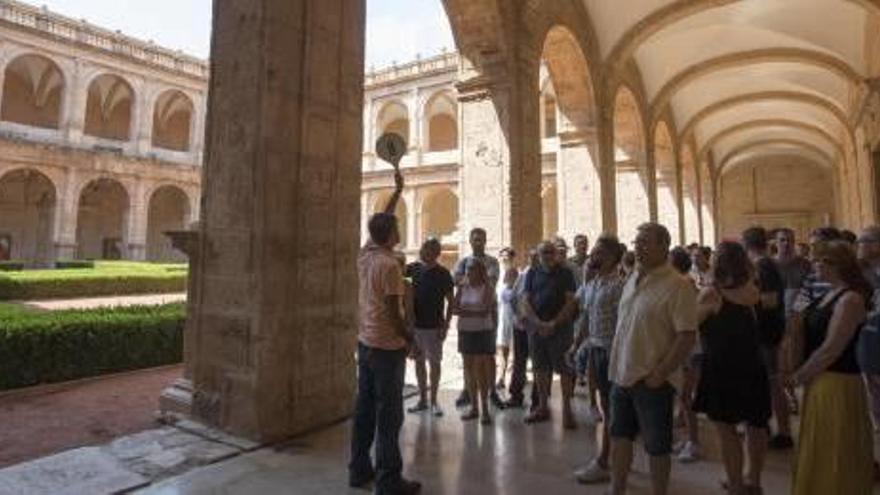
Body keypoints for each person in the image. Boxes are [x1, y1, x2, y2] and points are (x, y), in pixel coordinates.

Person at [608, 223, 697, 495]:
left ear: (664, 247)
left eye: (645, 242)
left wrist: (661, 373)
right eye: (637, 242)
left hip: (652, 379)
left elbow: (686, 336)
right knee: (619, 436)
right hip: (622, 373)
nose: (638, 247)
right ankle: (617, 489)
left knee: (657, 446)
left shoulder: (678, 285)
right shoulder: (632, 278)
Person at [350, 170, 421, 494]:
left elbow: (380, 221)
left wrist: (397, 191)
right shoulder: (391, 266)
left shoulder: (366, 255)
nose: (399, 227)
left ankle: (358, 470)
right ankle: (389, 480)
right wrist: (410, 339)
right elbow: (394, 314)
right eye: (396, 225)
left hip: (365, 344)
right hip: (387, 348)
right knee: (389, 417)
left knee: (364, 409)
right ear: (389, 233)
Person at [787, 240, 874, 495]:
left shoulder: (850, 299)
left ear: (834, 265)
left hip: (838, 382)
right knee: (821, 447)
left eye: (819, 260)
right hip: (822, 381)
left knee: (836, 450)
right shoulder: (830, 293)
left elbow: (832, 348)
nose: (814, 265)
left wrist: (799, 376)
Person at [693, 242, 771, 495]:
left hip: (722, 369)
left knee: (726, 430)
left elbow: (689, 324)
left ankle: (736, 484)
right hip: (753, 365)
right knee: (755, 424)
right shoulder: (753, 290)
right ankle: (754, 480)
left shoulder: (712, 294)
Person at [568, 235, 625, 484]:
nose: (593, 256)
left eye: (599, 253)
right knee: (606, 405)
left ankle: (604, 461)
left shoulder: (620, 285)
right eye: (593, 252)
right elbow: (585, 314)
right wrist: (576, 344)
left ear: (613, 257)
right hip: (596, 350)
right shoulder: (593, 284)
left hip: (614, 351)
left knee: (613, 409)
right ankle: (615, 457)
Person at [521, 241, 578, 428]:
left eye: (551, 252)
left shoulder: (566, 273)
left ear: (556, 254)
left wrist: (553, 323)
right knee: (541, 369)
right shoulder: (532, 273)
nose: (548, 256)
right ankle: (543, 407)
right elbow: (525, 300)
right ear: (538, 254)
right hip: (537, 330)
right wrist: (537, 323)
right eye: (544, 252)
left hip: (560, 329)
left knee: (564, 369)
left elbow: (570, 303)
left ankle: (567, 410)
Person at [742, 227, 789, 450]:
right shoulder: (763, 265)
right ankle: (770, 426)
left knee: (772, 382)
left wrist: (744, 301)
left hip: (766, 331)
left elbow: (770, 300)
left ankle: (784, 431)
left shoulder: (764, 266)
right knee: (768, 382)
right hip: (765, 330)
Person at [453, 228, 502, 409]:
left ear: (485, 240)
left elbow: (490, 282)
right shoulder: (463, 262)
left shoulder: (493, 261)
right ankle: (467, 390)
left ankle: (492, 391)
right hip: (468, 316)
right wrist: (472, 279)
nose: (478, 242)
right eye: (475, 239)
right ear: (470, 241)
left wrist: (469, 279)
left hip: (489, 311)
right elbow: (457, 281)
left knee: (488, 354)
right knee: (468, 358)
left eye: (481, 239)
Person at [405, 238, 454, 418]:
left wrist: (446, 325)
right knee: (418, 363)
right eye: (423, 246)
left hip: (435, 326)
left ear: (435, 252)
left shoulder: (443, 274)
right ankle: (422, 399)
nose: (421, 250)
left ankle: (434, 401)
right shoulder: (412, 269)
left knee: (434, 363)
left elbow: (451, 302)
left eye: (426, 248)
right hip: (416, 325)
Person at [453, 258, 498, 425]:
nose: (469, 273)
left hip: (482, 332)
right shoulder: (462, 288)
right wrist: (472, 311)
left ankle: (485, 409)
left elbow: (485, 310)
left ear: (480, 272)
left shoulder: (487, 288)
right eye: (467, 270)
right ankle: (474, 407)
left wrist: (465, 312)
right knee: (468, 370)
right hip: (465, 331)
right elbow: (453, 309)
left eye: (472, 269)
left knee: (480, 370)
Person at [670, 245, 702, 463]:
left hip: (690, 348)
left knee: (686, 396)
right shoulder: (681, 283)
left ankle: (694, 442)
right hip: (685, 346)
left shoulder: (684, 284)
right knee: (682, 396)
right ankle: (689, 437)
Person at [506, 248, 540, 409]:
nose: (534, 260)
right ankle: (516, 395)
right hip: (521, 326)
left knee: (538, 364)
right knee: (520, 362)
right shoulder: (523, 275)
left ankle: (537, 399)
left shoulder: (542, 276)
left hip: (536, 327)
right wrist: (519, 315)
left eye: (536, 257)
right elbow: (513, 298)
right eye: (532, 257)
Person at [857, 226, 880, 431]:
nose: (860, 244)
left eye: (866, 240)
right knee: (870, 379)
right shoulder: (858, 272)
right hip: (868, 332)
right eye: (860, 240)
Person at [496, 266, 518, 390]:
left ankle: (516, 379)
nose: (510, 277)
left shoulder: (519, 290)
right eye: (509, 275)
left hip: (516, 325)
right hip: (504, 324)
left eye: (513, 275)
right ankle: (501, 377)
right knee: (503, 352)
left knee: (516, 354)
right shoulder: (501, 290)